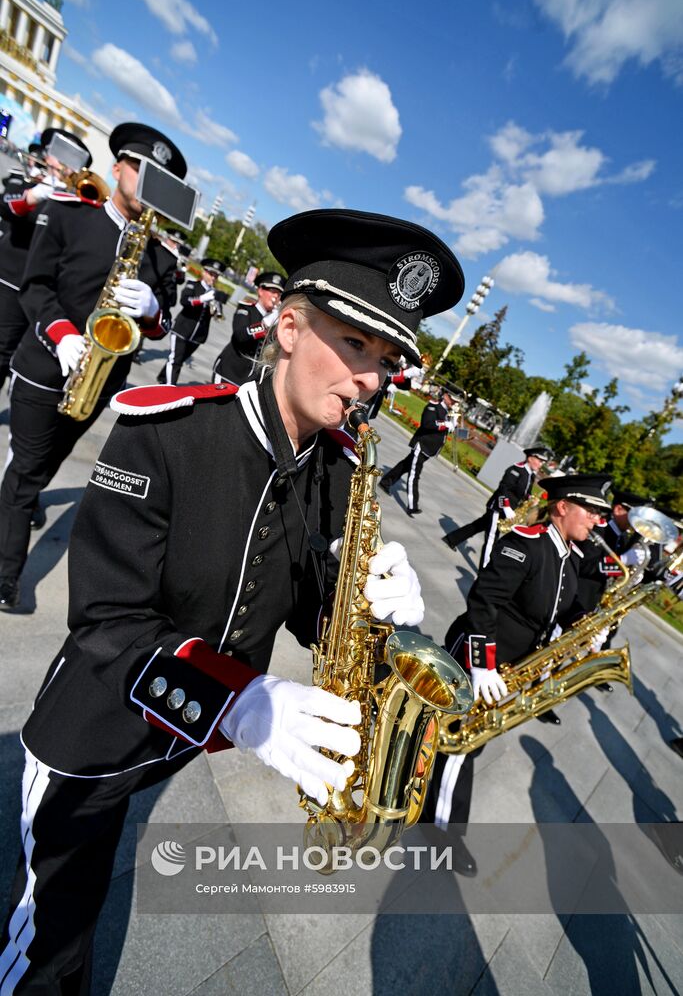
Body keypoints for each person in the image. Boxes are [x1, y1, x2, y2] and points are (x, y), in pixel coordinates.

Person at [0, 207, 465, 993]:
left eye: (385, 361)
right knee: (48, 944)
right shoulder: (168, 431)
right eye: (355, 345)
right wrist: (240, 703)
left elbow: (310, 606)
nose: (369, 381)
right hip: (97, 729)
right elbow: (107, 624)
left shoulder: (339, 468)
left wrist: (374, 612)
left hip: (187, 738)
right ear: (288, 326)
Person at [0, 122, 185, 612]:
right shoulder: (69, 215)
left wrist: (150, 311)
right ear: (117, 168)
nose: (148, 188)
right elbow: (35, 286)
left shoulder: (163, 259)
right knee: (23, 471)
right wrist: (61, 336)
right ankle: (6, 575)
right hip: (45, 364)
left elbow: (163, 329)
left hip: (99, 383)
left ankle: (25, 502)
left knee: (44, 464)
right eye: (142, 172)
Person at [424, 473, 613, 874]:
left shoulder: (568, 557)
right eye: (592, 511)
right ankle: (442, 832)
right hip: (480, 655)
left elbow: (560, 608)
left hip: (508, 664)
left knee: (463, 738)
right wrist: (482, 663)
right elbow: (483, 603)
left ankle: (425, 791)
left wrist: (587, 628)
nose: (598, 520)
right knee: (462, 742)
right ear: (562, 506)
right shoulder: (527, 545)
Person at [0, 128, 92, 392]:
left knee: (29, 358)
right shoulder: (26, 181)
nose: (58, 164)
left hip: (46, 290)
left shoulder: (75, 199)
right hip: (12, 278)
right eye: (56, 155)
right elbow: (6, 206)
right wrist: (36, 194)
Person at [574, 488, 651, 692]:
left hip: (597, 599)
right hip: (579, 596)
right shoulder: (599, 530)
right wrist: (623, 561)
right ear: (618, 509)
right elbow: (587, 565)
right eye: (635, 514)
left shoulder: (622, 536)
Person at [442, 445, 553, 567]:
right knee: (491, 538)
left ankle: (451, 539)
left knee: (478, 525)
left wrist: (530, 498)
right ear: (531, 458)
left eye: (543, 462)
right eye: (540, 460)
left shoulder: (531, 474)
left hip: (510, 509)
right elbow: (503, 489)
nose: (541, 464)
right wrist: (506, 507)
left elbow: (525, 491)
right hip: (498, 507)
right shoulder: (516, 470)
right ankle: (485, 569)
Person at [379, 388, 456, 515]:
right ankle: (412, 505)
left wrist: (453, 424)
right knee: (414, 474)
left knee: (406, 465)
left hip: (429, 449)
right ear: (446, 396)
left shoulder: (447, 412)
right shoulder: (433, 407)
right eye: (452, 399)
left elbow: (445, 431)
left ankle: (386, 482)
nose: (453, 403)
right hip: (423, 446)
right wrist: (445, 424)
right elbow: (427, 424)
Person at [156, 258, 228, 384]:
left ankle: (163, 377)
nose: (213, 278)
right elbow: (184, 301)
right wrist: (202, 299)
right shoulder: (192, 284)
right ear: (204, 272)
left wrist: (216, 310)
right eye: (211, 274)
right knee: (175, 360)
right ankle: (168, 388)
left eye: (216, 276)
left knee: (179, 359)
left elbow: (216, 315)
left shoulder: (215, 293)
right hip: (182, 329)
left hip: (198, 335)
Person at [213, 270, 285, 385]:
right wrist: (265, 324)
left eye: (279, 293)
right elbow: (240, 335)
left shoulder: (274, 319)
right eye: (272, 291)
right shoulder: (246, 309)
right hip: (229, 371)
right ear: (260, 290)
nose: (276, 296)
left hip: (248, 379)